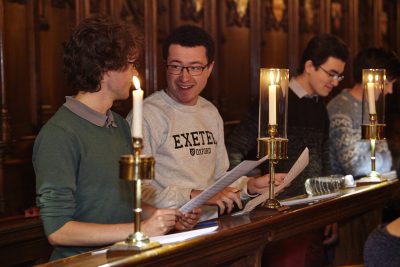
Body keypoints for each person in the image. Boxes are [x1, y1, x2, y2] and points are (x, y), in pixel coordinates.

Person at [33, 16, 200, 261]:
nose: (135, 72)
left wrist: (164, 217)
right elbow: (58, 231)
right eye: (131, 63)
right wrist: (140, 230)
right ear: (105, 69)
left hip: (122, 257)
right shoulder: (59, 134)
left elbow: (124, 203)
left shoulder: (119, 124)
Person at [127, 25, 285, 220]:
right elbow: (136, 190)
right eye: (176, 66)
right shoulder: (146, 115)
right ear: (165, 65)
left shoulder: (210, 112)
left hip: (211, 225)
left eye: (195, 67)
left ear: (209, 68)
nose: (184, 77)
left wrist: (249, 186)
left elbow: (219, 179)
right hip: (167, 230)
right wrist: (194, 196)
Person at [225, 34, 349, 267]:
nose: (335, 82)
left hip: (312, 214)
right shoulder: (275, 99)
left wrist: (330, 210)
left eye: (339, 76)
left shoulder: (319, 108)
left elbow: (323, 159)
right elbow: (233, 148)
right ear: (310, 66)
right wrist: (244, 188)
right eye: (331, 74)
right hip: (279, 219)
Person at [327, 47, 400, 177]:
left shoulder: (369, 107)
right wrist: (379, 159)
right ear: (371, 78)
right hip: (345, 192)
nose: (390, 90)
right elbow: (354, 167)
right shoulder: (341, 108)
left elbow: (388, 158)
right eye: (387, 83)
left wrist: (374, 159)